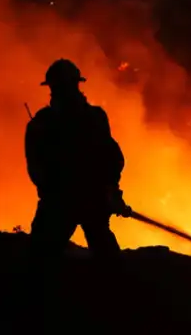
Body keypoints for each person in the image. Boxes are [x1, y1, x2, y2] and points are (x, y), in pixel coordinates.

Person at [25, 58, 131, 267]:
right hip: (72, 202)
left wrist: (111, 191)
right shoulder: (90, 118)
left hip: (70, 203)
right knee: (43, 258)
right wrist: (107, 191)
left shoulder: (45, 123)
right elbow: (113, 159)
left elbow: (111, 159)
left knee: (40, 260)